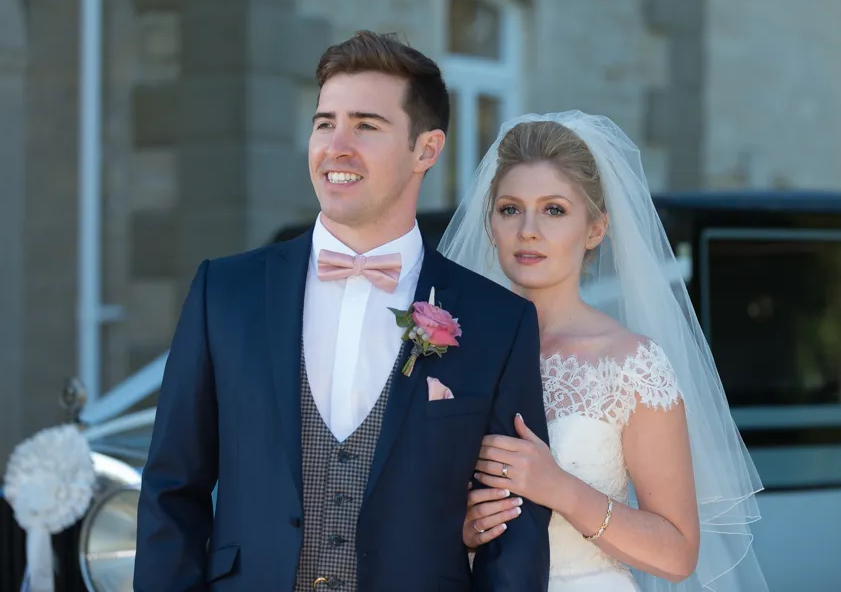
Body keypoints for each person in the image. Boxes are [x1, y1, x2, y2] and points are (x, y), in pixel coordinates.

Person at [132, 31, 551, 592]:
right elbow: (170, 490)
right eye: (325, 122)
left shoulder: (497, 321)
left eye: (367, 125)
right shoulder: (224, 292)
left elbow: (514, 532)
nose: (336, 146)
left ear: (426, 149)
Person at [438, 112, 768, 592]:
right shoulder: (452, 349)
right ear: (490, 222)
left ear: (595, 229)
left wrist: (562, 490)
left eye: (554, 210)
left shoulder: (631, 364)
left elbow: (677, 554)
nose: (528, 229)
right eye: (510, 209)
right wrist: (464, 536)